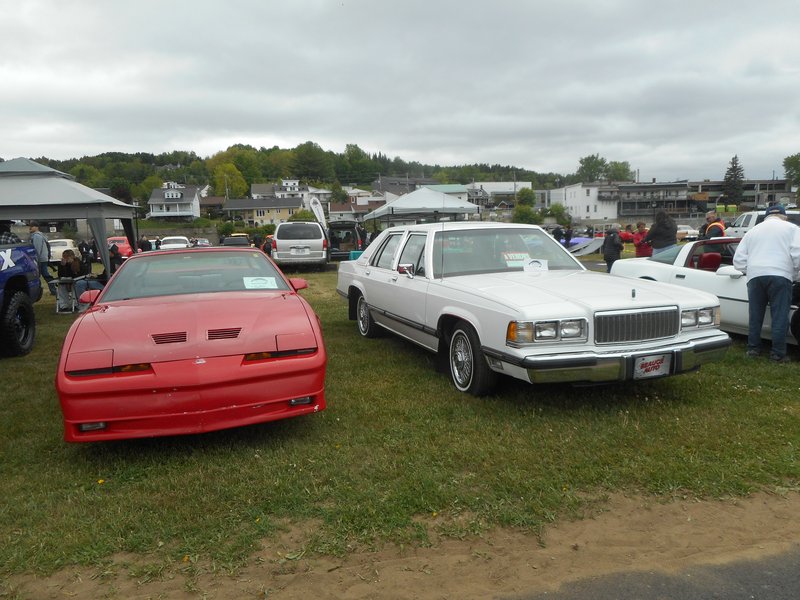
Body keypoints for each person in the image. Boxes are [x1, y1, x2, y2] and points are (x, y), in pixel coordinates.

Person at [732, 204, 800, 363]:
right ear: (784, 216)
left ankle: (753, 348)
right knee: (779, 315)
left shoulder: (752, 231)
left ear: (766, 216)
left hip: (755, 276)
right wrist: (795, 274)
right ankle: (778, 354)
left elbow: (738, 262)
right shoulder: (792, 229)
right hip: (780, 275)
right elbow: (798, 255)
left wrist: (752, 270)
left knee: (755, 315)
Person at [28, 221, 57, 295]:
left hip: (39, 259)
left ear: (36, 227)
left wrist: (34, 258)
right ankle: (53, 290)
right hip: (43, 258)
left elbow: (37, 249)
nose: (30, 228)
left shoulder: (36, 236)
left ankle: (53, 290)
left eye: (32, 226)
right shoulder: (41, 235)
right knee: (45, 275)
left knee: (41, 275)